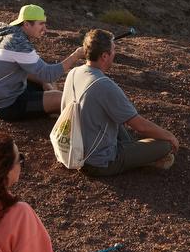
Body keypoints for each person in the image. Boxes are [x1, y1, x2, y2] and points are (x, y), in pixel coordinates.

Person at [64, 29, 178, 177]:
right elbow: (140, 126)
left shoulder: (74, 73)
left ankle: (134, 152)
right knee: (165, 145)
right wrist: (170, 136)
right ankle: (141, 159)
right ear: (104, 56)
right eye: (113, 50)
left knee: (117, 119)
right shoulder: (104, 85)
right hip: (99, 163)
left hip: (73, 150)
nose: (114, 54)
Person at [0, 5, 85, 121]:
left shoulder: (9, 35)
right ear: (27, 24)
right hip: (7, 105)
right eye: (41, 24)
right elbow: (49, 74)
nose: (45, 29)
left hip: (1, 94)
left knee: (47, 81)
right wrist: (76, 55)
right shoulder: (17, 43)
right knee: (62, 99)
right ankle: (53, 112)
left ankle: (50, 109)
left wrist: (43, 82)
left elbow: (28, 71)